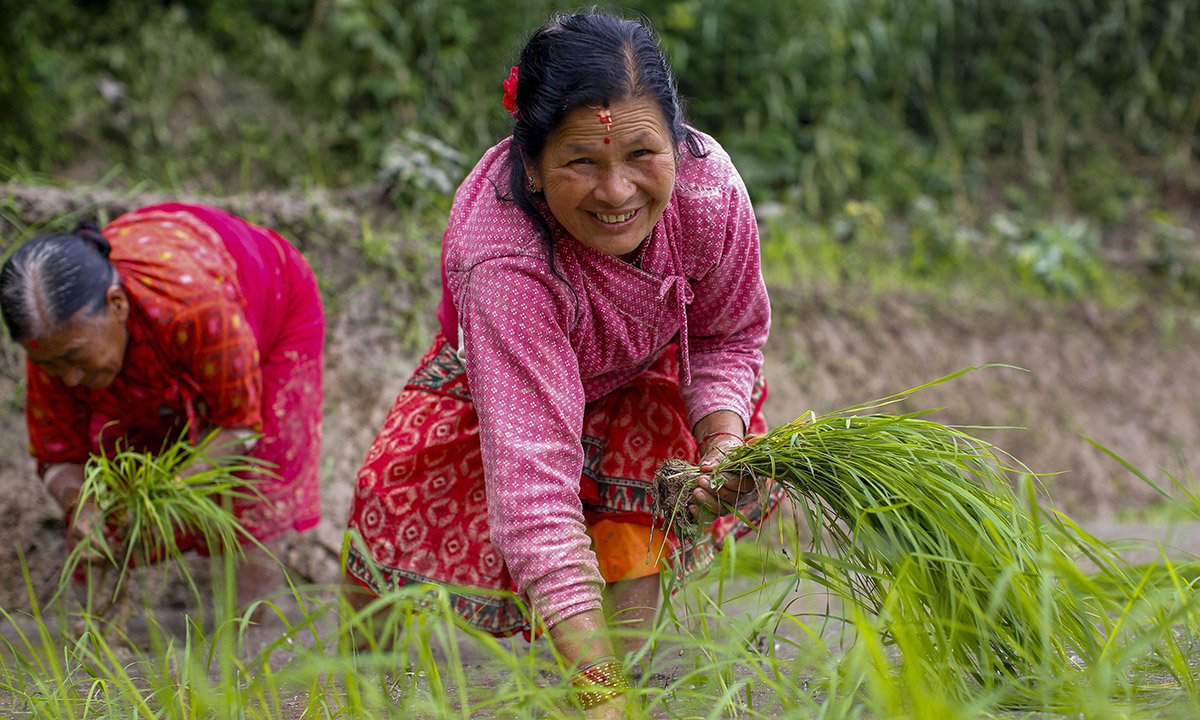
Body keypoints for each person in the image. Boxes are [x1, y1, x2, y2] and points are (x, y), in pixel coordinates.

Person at [343, 10, 776, 716]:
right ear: (534, 169)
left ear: (678, 141)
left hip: (642, 370)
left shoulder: (708, 192)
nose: (616, 192)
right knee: (388, 507)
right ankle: (365, 694)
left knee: (631, 527)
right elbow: (535, 492)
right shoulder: (503, 259)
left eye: (642, 155)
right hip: (504, 375)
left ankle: (615, 686)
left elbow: (729, 335)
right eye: (582, 161)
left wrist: (721, 444)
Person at [0, 202, 324, 606]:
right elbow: (57, 455)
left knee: (250, 489)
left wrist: (168, 492)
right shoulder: (51, 343)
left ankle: (250, 642)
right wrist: (81, 507)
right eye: (50, 365)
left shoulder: (194, 308)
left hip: (273, 305)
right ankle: (91, 649)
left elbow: (238, 424)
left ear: (117, 305)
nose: (68, 379)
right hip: (169, 335)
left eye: (74, 358)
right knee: (109, 502)